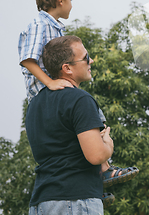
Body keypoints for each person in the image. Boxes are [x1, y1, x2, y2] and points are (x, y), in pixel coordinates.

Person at [18, 0, 138, 195]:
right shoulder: (40, 25)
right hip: (47, 90)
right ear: (61, 0)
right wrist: (50, 82)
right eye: (71, 0)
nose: (73, 5)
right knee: (92, 118)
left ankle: (98, 180)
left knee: (80, 134)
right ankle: (104, 169)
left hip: (56, 89)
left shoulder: (55, 27)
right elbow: (27, 59)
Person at [26, 36, 112, 214]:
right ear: (67, 68)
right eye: (86, 58)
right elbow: (96, 156)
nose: (91, 61)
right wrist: (108, 144)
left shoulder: (34, 104)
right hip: (75, 201)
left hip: (41, 202)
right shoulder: (80, 100)